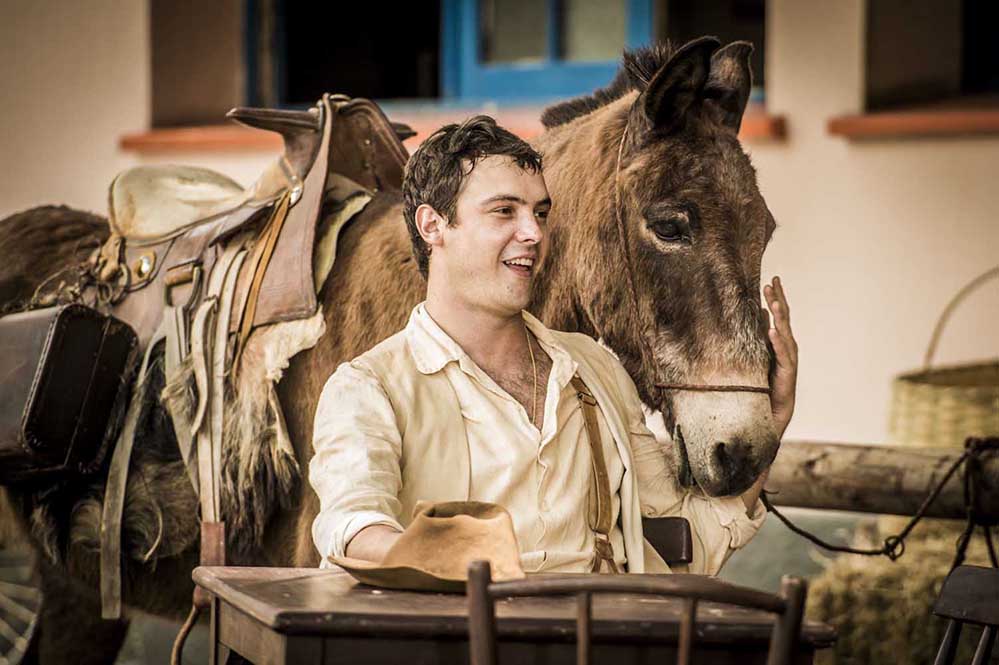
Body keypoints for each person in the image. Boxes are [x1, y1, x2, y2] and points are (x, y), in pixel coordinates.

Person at [309, 116, 797, 575]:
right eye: (505, 211)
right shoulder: (368, 387)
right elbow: (352, 526)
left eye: (540, 212)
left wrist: (772, 423)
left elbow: (688, 546)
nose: (534, 233)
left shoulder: (596, 369)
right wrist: (462, 566)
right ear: (432, 225)